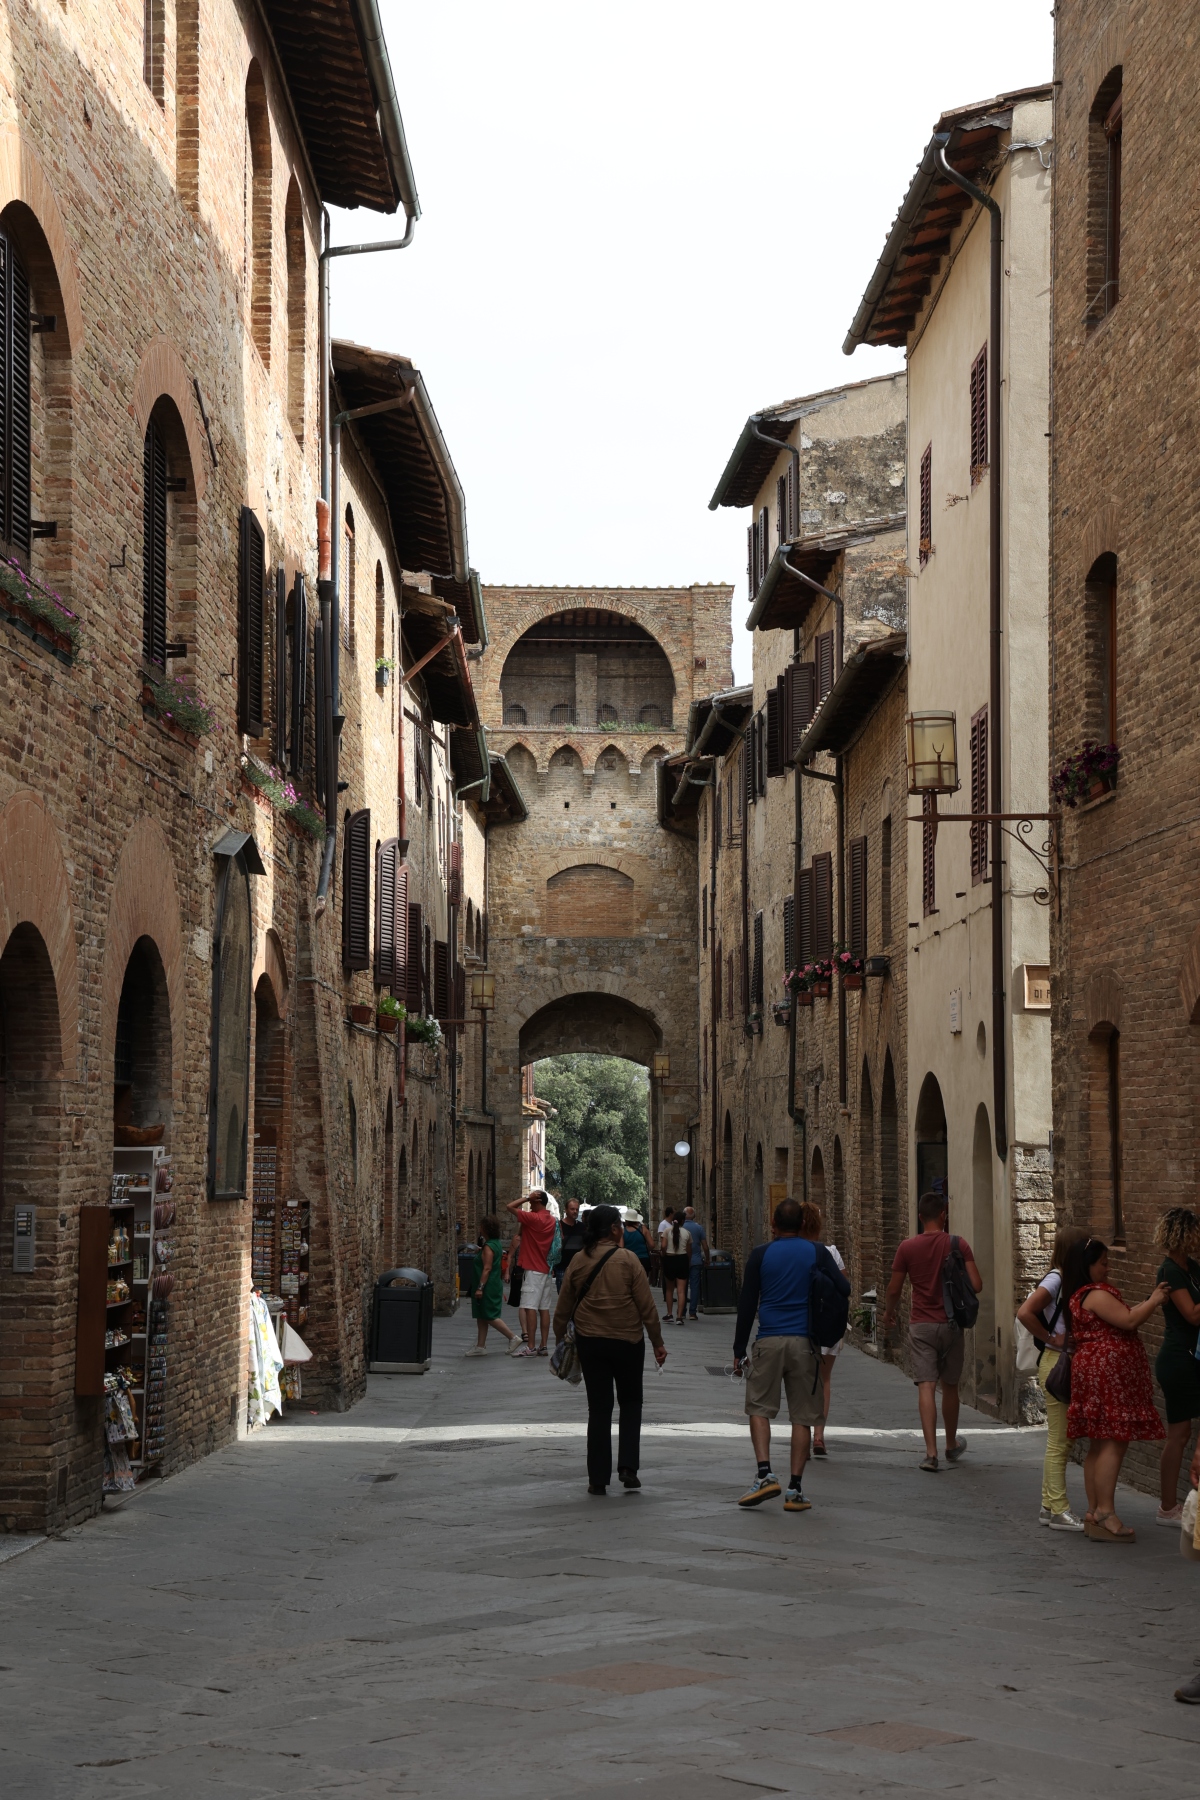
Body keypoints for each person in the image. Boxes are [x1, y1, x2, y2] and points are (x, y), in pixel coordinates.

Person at [733, 1196, 850, 1511]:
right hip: (805, 1344)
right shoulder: (817, 1252)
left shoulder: (760, 1254)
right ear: (801, 1224)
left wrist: (738, 1349)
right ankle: (795, 1489)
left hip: (768, 1341)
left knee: (758, 1407)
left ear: (773, 1224)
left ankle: (764, 1474)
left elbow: (747, 1304)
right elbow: (845, 1289)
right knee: (803, 1416)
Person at [553, 1203, 667, 1494]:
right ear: (615, 1229)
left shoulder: (579, 1260)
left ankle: (598, 1478)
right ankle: (628, 1467)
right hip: (628, 1341)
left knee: (599, 1408)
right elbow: (647, 1308)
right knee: (631, 1402)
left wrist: (559, 1339)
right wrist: (657, 1342)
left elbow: (563, 1308)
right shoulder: (629, 1260)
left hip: (591, 1342)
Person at [1063, 1235, 1168, 1542]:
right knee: (1114, 1440)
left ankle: (1094, 1510)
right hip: (1107, 1374)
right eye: (1102, 1263)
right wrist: (1154, 1299)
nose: (1107, 1268)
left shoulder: (1080, 1295)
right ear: (1087, 1266)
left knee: (1099, 1443)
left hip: (1094, 1370)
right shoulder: (1096, 1294)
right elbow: (1129, 1320)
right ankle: (1106, 1513)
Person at [883, 1192, 983, 1472]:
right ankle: (951, 1444)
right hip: (951, 1325)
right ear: (943, 1215)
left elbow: (894, 1289)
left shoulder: (907, 1248)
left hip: (921, 1325)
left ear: (919, 1217)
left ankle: (930, 1453)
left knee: (926, 1386)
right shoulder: (958, 1244)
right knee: (950, 1386)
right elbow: (976, 1285)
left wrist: (889, 1312)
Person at [1015, 1224, 1088, 1529]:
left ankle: (1048, 1505)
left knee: (1061, 1439)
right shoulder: (1056, 1279)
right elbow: (1024, 1312)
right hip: (1057, 1363)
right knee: (1060, 1441)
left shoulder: (1065, 1278)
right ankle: (1058, 1509)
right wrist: (1051, 1338)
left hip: (1060, 1361)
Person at [1154, 1208, 1200, 1525]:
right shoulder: (1169, 1271)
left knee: (1184, 1433)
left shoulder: (1191, 1267)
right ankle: (1168, 1507)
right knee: (1179, 1434)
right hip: (1179, 1359)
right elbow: (1193, 1315)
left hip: (1192, 1357)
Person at [797, 1201, 845, 1458]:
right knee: (824, 1379)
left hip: (801, 1325)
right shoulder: (831, 1253)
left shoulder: (794, 1252)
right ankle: (819, 1436)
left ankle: (803, 1437)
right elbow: (844, 1288)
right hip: (828, 1325)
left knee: (802, 1382)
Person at [504, 1190, 558, 1357]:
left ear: (537, 1201)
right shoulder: (552, 1220)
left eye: (532, 1200)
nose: (529, 1204)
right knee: (544, 1308)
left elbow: (509, 1206)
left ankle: (531, 1346)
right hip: (546, 1270)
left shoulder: (533, 1218)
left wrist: (527, 1197)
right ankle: (543, 1346)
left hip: (533, 1270)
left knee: (530, 1308)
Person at [464, 1216, 522, 1356]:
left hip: (488, 1286)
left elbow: (487, 1268)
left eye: (481, 1226)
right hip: (493, 1284)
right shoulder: (494, 1244)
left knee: (490, 1315)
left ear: (485, 1229)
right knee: (481, 1315)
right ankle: (480, 1345)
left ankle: (512, 1337)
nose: (479, 1229)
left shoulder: (488, 1247)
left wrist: (480, 1287)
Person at [660, 1212, 691, 1326]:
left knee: (669, 1289)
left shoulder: (667, 1231)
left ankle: (669, 1314)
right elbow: (689, 1251)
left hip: (670, 1259)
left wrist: (664, 1255)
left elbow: (663, 1246)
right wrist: (688, 1262)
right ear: (683, 1221)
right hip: (682, 1259)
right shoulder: (687, 1233)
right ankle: (679, 1316)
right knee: (681, 1291)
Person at [680, 1206, 711, 1320]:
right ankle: (692, 1312)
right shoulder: (698, 1228)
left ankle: (682, 1311)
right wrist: (707, 1258)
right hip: (696, 1260)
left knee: (682, 1286)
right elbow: (705, 1246)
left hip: (683, 1260)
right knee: (695, 1286)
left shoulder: (680, 1227)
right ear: (694, 1216)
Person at [555, 1198, 586, 1292]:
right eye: (572, 1209)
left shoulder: (582, 1227)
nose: (575, 1211)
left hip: (579, 1268)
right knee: (563, 1295)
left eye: (577, 1209)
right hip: (562, 1267)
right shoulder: (558, 1226)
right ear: (566, 1210)